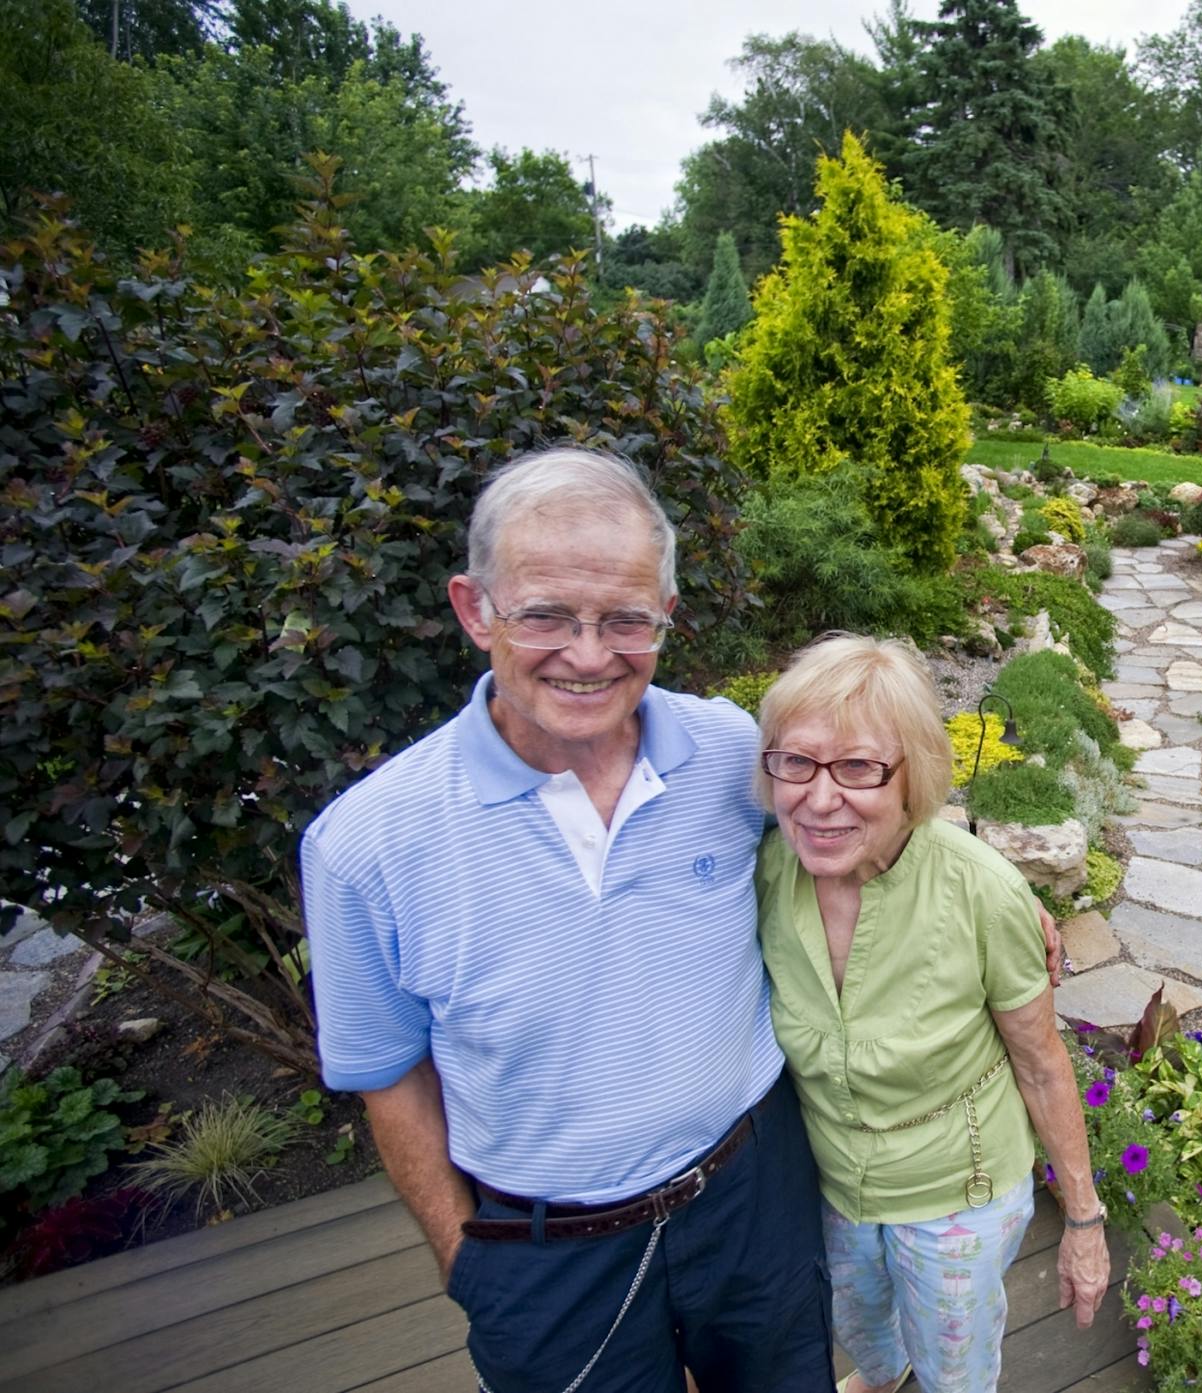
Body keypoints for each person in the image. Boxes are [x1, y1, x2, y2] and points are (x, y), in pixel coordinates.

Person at [302, 447, 835, 1392]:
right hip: (546, 1255)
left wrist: (994, 903)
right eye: (545, 612)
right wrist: (467, 1262)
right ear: (476, 610)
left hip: (753, 1199)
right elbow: (388, 1075)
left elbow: (857, 828)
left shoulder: (725, 750)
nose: (589, 654)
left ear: (665, 618)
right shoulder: (365, 845)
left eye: (626, 618)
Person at [753, 634, 1111, 1393]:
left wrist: (1083, 1220)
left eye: (857, 767)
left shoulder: (981, 890)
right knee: (857, 1323)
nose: (820, 797)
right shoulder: (763, 866)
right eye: (796, 761)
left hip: (957, 1189)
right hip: (829, 1179)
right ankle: (883, 1378)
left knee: (955, 1364)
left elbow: (1042, 1062)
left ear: (912, 774)